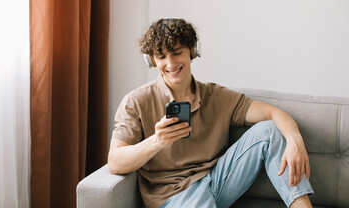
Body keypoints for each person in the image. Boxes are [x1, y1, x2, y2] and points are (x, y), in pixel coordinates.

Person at [108, 18, 314, 208]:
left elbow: (273, 114)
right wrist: (157, 142)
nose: (170, 64)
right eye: (161, 56)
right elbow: (116, 161)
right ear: (151, 60)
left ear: (192, 50)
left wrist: (295, 140)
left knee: (268, 131)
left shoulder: (217, 96)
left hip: (217, 180)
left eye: (177, 52)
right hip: (175, 196)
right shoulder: (136, 101)